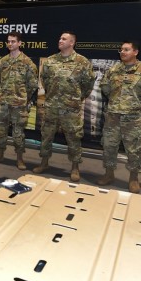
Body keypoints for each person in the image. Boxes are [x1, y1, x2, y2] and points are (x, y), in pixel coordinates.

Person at [96, 41, 141, 193]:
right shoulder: (113, 70)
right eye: (121, 50)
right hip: (113, 116)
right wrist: (115, 101)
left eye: (126, 49)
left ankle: (133, 178)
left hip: (132, 118)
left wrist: (139, 104)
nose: (122, 52)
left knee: (134, 149)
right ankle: (109, 174)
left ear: (135, 52)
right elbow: (105, 87)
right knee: (109, 146)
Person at [35, 31, 95, 181]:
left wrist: (76, 98)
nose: (60, 40)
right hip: (52, 106)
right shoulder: (50, 61)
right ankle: (44, 162)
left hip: (71, 109)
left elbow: (88, 85)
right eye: (60, 38)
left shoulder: (82, 62)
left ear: (72, 43)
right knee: (46, 135)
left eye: (64, 39)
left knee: (74, 138)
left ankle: (75, 167)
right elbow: (45, 80)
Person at [0, 31, 38, 169]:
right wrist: (3, 94)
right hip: (3, 103)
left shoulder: (28, 63)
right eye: (8, 41)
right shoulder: (1, 63)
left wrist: (21, 96)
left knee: (18, 133)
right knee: (0, 130)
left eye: (13, 41)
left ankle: (20, 159)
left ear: (20, 43)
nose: (10, 44)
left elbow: (32, 84)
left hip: (19, 105)